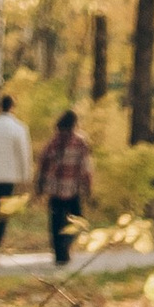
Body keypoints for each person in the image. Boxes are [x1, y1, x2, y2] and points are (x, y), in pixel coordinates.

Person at [35, 107, 93, 264]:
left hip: (55, 190)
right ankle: (66, 244)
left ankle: (59, 254)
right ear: (75, 123)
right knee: (78, 221)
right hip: (73, 189)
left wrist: (40, 185)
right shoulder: (80, 142)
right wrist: (88, 187)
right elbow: (86, 167)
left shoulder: (53, 142)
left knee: (55, 223)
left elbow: (43, 164)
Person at [0, 91, 32, 246]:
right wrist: (25, 176)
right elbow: (23, 153)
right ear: (12, 107)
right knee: (4, 210)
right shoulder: (19, 128)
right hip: (9, 176)